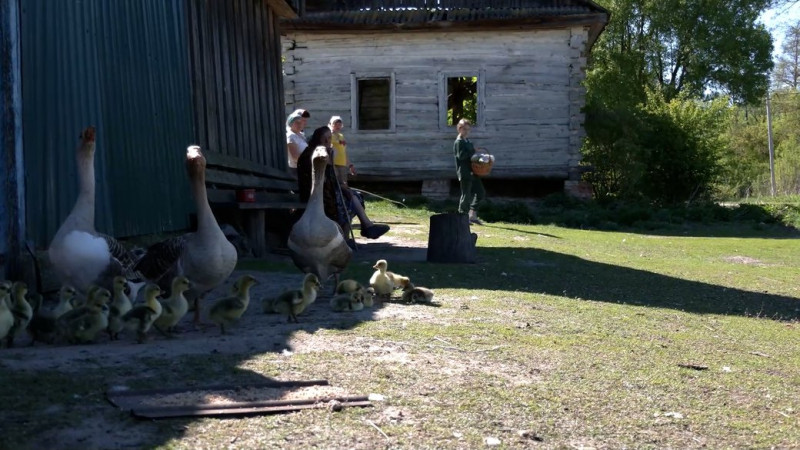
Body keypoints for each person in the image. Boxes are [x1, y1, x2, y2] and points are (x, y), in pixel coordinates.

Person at [297, 126, 390, 242]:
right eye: (324, 138)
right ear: (317, 139)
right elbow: (322, 179)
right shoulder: (315, 154)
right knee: (351, 196)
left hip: (323, 192)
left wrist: (340, 184)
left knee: (353, 195)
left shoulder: (318, 151)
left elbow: (331, 178)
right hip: (316, 197)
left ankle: (363, 228)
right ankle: (358, 231)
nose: (327, 141)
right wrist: (339, 184)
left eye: (329, 138)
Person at [453, 118, 486, 225]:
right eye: (464, 129)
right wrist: (473, 151)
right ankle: (462, 217)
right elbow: (461, 156)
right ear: (459, 129)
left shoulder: (467, 141)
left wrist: (478, 158)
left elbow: (470, 155)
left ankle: (472, 215)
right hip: (464, 172)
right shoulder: (459, 142)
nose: (466, 131)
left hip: (473, 171)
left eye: (468, 129)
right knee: (466, 195)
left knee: (480, 192)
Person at [329, 116, 355, 188]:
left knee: (344, 184)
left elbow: (343, 152)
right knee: (335, 184)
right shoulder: (329, 135)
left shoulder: (341, 136)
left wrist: (350, 165)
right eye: (335, 124)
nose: (338, 126)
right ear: (331, 124)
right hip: (333, 163)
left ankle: (344, 199)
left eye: (339, 124)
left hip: (342, 164)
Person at [286, 111, 309, 177]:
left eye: (301, 122)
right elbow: (295, 157)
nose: (300, 125)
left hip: (303, 168)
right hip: (295, 170)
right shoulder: (290, 136)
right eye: (297, 122)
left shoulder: (301, 135)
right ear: (291, 123)